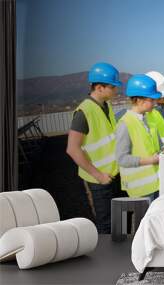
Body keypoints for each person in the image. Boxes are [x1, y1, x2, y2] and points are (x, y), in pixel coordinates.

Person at [66, 62, 122, 234]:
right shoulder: (84, 112)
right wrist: (98, 175)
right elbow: (72, 149)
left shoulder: (106, 105)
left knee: (123, 217)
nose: (116, 91)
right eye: (113, 87)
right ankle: (107, 258)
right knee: (106, 224)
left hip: (115, 174)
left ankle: (126, 252)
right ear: (99, 87)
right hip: (99, 180)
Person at [116, 74, 164, 202]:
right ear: (140, 100)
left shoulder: (148, 120)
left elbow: (155, 148)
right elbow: (122, 159)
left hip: (157, 184)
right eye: (151, 100)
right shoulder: (125, 124)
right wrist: (151, 160)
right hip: (139, 191)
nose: (155, 103)